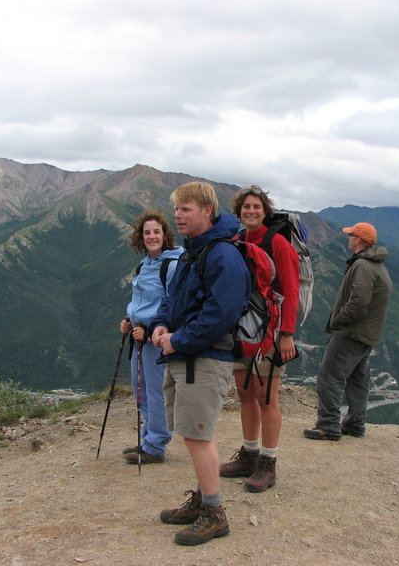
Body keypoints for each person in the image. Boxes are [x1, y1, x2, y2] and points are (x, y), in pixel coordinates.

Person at [150, 181, 251, 546]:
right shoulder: (193, 253)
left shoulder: (222, 255)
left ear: (207, 211)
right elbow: (172, 299)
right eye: (176, 208)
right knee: (191, 433)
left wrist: (178, 339)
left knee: (198, 435)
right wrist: (161, 324)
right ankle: (201, 501)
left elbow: (220, 314)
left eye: (186, 209)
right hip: (186, 356)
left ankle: (214, 514)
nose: (177, 215)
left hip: (205, 358)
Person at [219, 186, 299, 492]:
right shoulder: (237, 240)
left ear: (264, 211)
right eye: (245, 207)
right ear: (239, 211)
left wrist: (287, 335)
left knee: (267, 396)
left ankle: (268, 463)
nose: (250, 211)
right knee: (245, 392)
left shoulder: (278, 244)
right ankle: (249, 454)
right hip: (243, 328)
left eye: (256, 207)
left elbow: (291, 292)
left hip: (271, 330)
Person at [303, 222, 392, 441]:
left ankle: (328, 426)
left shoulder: (362, 266)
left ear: (359, 240)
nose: (348, 238)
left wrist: (339, 320)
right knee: (357, 379)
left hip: (352, 332)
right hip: (367, 334)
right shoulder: (377, 265)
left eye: (351, 235)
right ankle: (354, 424)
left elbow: (358, 302)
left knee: (329, 376)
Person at [119, 211, 183, 465]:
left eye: (156, 231)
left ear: (164, 234)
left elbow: (172, 305)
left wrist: (151, 333)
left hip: (155, 340)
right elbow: (141, 301)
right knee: (141, 390)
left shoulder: (172, 265)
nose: (152, 236)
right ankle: (148, 438)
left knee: (156, 392)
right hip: (139, 335)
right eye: (147, 232)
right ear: (141, 237)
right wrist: (129, 319)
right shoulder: (145, 264)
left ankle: (156, 445)